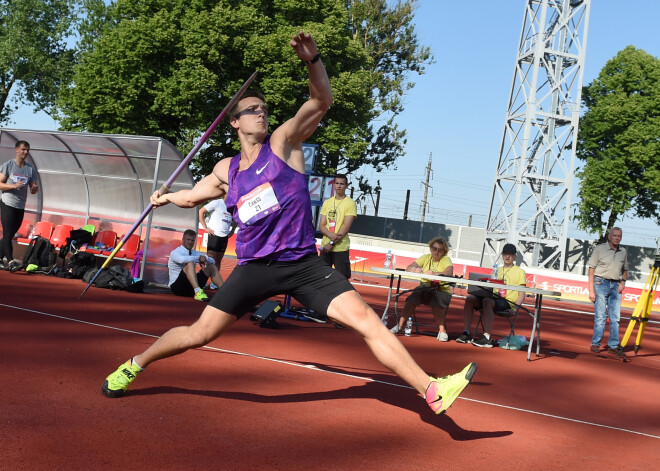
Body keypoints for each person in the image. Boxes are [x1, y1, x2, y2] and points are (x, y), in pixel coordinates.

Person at [101, 31, 476, 416]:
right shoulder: (226, 170)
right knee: (199, 334)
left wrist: (314, 61)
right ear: (234, 122)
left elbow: (321, 101)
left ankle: (431, 390)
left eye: (263, 107)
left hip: (303, 265)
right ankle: (135, 364)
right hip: (255, 269)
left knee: (367, 321)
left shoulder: (284, 142)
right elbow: (192, 196)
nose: (261, 112)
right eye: (252, 109)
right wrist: (163, 197)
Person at [457, 243, 526, 348]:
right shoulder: (497, 270)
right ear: (502, 255)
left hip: (507, 303)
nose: (507, 256)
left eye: (510, 254)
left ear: (514, 256)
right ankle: (466, 333)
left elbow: (522, 294)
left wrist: (515, 309)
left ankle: (487, 337)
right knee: (470, 298)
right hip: (492, 298)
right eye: (505, 254)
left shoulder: (520, 272)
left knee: (487, 301)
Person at [390, 237, 453, 342]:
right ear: (431, 248)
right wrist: (414, 270)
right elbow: (409, 267)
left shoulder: (446, 260)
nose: (436, 252)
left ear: (444, 251)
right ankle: (400, 326)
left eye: (440, 250)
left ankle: (442, 331)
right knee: (413, 297)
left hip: (441, 289)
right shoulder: (425, 257)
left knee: (436, 300)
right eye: (434, 248)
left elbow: (449, 272)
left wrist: (434, 273)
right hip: (425, 287)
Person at [587, 227, 628, 355]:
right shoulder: (600, 249)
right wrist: (591, 290)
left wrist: (623, 282)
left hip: (616, 285)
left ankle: (613, 345)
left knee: (615, 318)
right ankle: (596, 343)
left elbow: (625, 270)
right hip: (600, 283)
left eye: (619, 236)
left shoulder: (623, 251)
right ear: (609, 236)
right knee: (600, 316)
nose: (617, 238)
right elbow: (591, 269)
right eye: (614, 235)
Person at [0, 140, 39, 270]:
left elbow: (33, 190)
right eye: (23, 149)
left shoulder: (30, 169)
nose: (25, 152)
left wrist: (34, 188)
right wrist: (13, 186)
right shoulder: (9, 165)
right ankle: (10, 262)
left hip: (20, 205)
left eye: (27, 150)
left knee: (10, 234)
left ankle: (0, 258)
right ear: (16, 149)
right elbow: (0, 184)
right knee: (7, 233)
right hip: (7, 202)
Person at [168, 229, 224, 302]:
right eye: (188, 239)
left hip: (191, 288)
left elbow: (213, 261)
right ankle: (198, 292)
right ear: (183, 240)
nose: (190, 242)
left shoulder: (195, 253)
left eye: (192, 240)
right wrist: (199, 258)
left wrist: (205, 258)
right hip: (178, 288)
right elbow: (181, 260)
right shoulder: (175, 252)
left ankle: (224, 292)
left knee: (211, 267)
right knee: (190, 263)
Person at [319, 174, 357, 279]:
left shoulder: (350, 203)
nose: (339, 186)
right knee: (321, 279)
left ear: (346, 186)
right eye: (337, 183)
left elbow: (346, 227)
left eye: (342, 184)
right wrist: (330, 236)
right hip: (325, 247)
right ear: (333, 185)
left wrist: (331, 243)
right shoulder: (327, 202)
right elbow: (321, 226)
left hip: (340, 248)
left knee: (341, 279)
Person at [198, 196, 235, 288]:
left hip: (224, 237)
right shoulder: (217, 203)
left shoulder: (233, 205)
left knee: (218, 260)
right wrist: (206, 228)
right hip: (213, 235)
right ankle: (203, 281)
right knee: (209, 259)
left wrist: (233, 230)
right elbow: (201, 211)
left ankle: (214, 282)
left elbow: (237, 219)